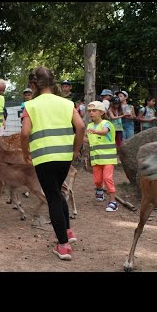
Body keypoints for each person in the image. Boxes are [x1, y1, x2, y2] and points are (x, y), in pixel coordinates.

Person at [21, 66, 85, 261]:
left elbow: (25, 133)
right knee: (58, 191)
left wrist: (26, 153)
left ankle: (63, 246)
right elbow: (81, 126)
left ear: (33, 85)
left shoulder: (30, 106)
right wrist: (75, 150)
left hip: (43, 157)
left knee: (53, 197)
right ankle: (68, 232)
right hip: (65, 156)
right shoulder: (66, 103)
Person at [86, 100, 118, 212]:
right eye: (89, 111)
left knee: (107, 178)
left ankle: (113, 201)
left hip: (108, 159)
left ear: (102, 112)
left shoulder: (106, 124)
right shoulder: (89, 126)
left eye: (94, 110)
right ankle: (99, 191)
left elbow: (104, 132)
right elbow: (88, 140)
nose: (91, 113)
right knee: (97, 180)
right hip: (96, 159)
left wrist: (94, 131)